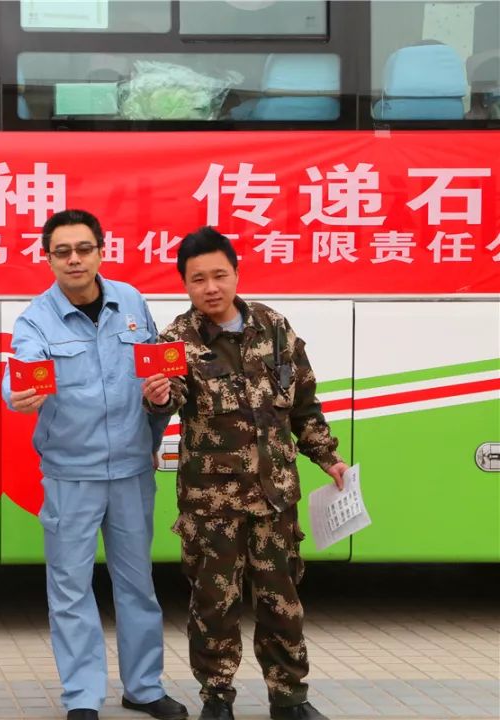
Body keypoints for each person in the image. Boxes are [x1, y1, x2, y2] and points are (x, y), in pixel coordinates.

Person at [142, 227, 348, 720]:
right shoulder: (176, 340)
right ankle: (217, 699)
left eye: (219, 275)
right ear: (184, 284)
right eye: (198, 279)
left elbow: (304, 403)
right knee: (213, 606)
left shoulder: (274, 327)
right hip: (211, 506)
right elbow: (170, 395)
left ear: (236, 273)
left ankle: (290, 698)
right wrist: (159, 397)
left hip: (275, 499)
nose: (210, 287)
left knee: (282, 602)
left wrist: (327, 457)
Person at [2, 209, 187, 720]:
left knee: (138, 585)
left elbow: (157, 377)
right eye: (62, 251)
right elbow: (20, 372)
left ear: (101, 251)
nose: (74, 259)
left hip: (131, 472)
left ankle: (143, 687)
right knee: (70, 590)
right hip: (71, 475)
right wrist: (19, 393)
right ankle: (83, 697)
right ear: (48, 259)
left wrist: (156, 419)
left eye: (84, 248)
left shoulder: (131, 303)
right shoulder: (35, 319)